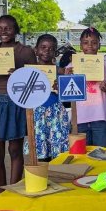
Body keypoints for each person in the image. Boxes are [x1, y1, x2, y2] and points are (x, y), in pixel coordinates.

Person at [0, 14, 36, 190]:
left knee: (15, 151)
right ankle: (1, 191)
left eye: (8, 28)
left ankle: (14, 192)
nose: (3, 32)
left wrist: (18, 74)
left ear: (16, 30)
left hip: (16, 103)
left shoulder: (25, 51)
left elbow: (35, 80)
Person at [67, 27, 106, 148]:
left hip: (101, 117)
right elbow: (67, 95)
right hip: (79, 118)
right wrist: (66, 78)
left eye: (94, 43)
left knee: (103, 154)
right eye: (85, 43)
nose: (90, 46)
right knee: (81, 157)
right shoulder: (72, 66)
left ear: (99, 45)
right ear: (80, 46)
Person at [24, 34, 69, 162]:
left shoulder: (61, 71)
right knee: (41, 154)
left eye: (51, 48)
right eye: (43, 47)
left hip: (56, 113)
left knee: (58, 153)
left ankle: (56, 177)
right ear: (36, 50)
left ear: (55, 52)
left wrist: (60, 87)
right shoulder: (28, 71)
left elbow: (69, 95)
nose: (47, 51)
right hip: (37, 112)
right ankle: (42, 179)